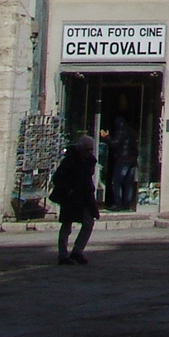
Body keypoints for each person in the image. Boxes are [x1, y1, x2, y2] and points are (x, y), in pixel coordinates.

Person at [50, 135, 99, 266]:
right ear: (81, 149)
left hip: (85, 196)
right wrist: (68, 190)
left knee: (89, 222)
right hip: (71, 197)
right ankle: (63, 255)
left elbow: (87, 177)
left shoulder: (90, 161)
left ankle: (77, 251)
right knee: (67, 225)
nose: (89, 152)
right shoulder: (70, 160)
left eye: (91, 150)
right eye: (87, 149)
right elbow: (57, 178)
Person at [108, 112, 139, 211]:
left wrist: (106, 137)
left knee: (116, 181)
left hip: (123, 159)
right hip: (132, 160)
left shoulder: (120, 132)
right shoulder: (132, 132)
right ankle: (127, 204)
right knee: (128, 183)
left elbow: (115, 144)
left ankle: (118, 204)